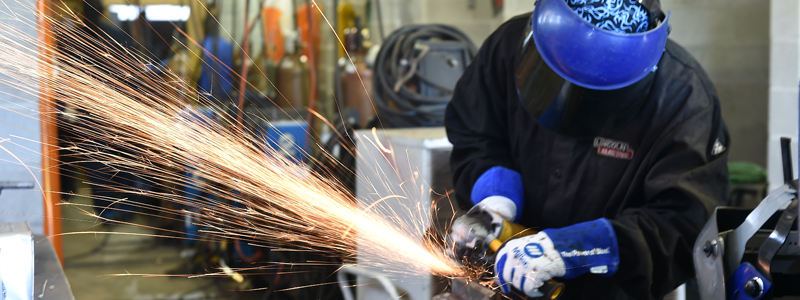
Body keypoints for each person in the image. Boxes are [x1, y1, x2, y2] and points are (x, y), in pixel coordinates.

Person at [445, 0, 729, 299]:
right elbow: (475, 131)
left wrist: (582, 248)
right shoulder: (507, 45)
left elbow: (683, 224)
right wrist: (496, 197)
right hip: (505, 280)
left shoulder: (684, 100)